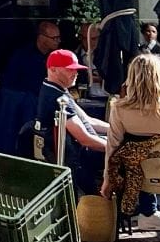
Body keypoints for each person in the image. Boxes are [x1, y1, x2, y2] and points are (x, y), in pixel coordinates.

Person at [98, 54, 160, 230]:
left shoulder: (119, 109)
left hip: (132, 176)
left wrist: (108, 179)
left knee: (135, 156)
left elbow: (112, 146)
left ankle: (149, 212)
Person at [34, 48, 108, 197]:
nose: (75, 73)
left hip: (83, 154)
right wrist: (116, 147)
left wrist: (117, 130)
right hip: (79, 159)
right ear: (53, 69)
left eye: (76, 69)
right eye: (70, 69)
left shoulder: (58, 90)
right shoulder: (56, 97)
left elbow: (87, 120)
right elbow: (85, 139)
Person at [0, 21, 62, 153]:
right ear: (41, 37)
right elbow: (15, 85)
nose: (58, 41)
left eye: (58, 37)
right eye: (54, 38)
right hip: (20, 107)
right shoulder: (22, 57)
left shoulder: (54, 57)